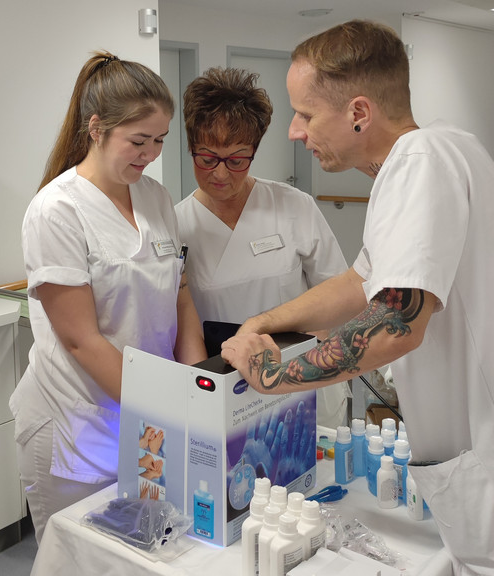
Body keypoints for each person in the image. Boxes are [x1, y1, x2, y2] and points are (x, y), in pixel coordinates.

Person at [220, 20, 494, 575]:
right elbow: (359, 284)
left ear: (359, 113)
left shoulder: (418, 163)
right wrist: (265, 320)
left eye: (305, 114)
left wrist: (274, 376)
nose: (295, 132)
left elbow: (395, 318)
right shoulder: (443, 151)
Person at [10, 51, 207, 543]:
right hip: (78, 427)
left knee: (150, 552)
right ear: (96, 129)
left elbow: (180, 301)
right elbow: (81, 340)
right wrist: (169, 410)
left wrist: (200, 390)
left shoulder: (155, 198)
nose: (150, 153)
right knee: (84, 558)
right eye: (138, 141)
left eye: (160, 141)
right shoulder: (57, 210)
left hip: (149, 419)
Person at [175, 67, 349, 428]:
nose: (220, 174)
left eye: (237, 160)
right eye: (207, 158)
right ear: (190, 147)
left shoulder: (293, 206)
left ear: (254, 151)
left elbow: (339, 292)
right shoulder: (176, 226)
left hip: (307, 378)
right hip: (229, 390)